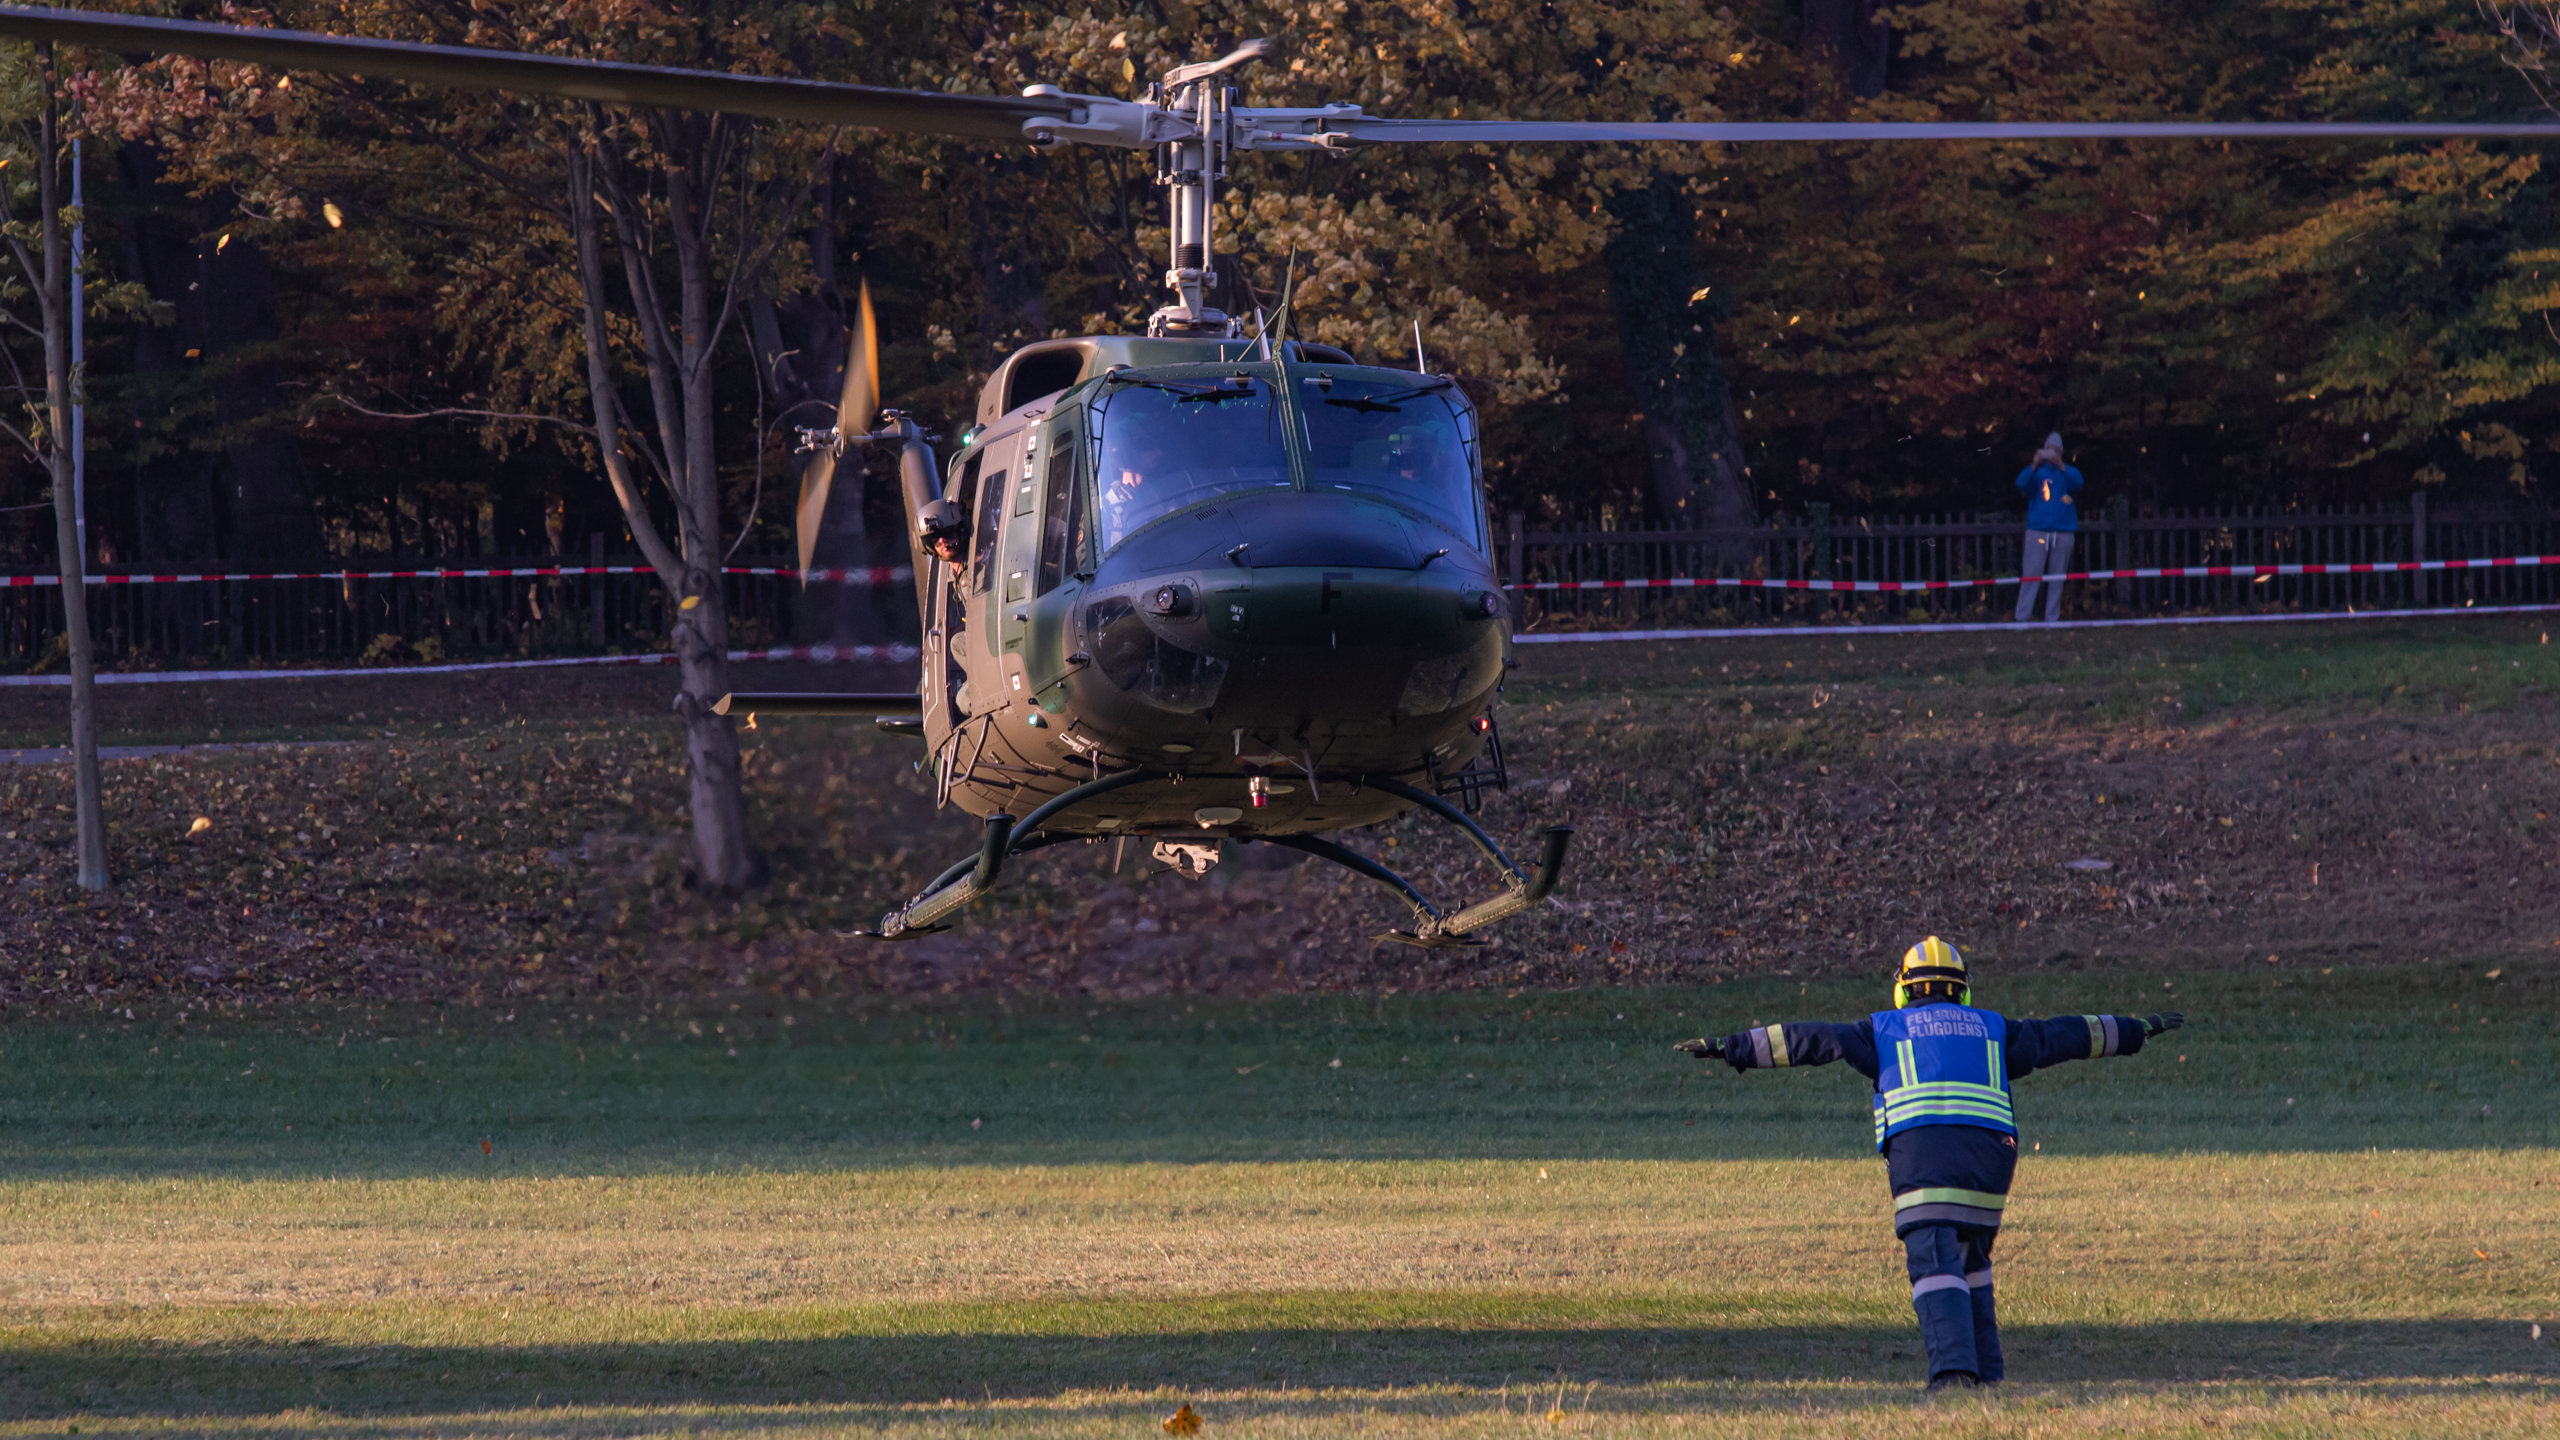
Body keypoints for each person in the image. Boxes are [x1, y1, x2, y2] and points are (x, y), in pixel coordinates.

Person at [1675, 938, 2182, 1395]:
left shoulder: (1883, 1029)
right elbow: (2062, 1036)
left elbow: (1810, 1039)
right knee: (1971, 1264)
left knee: (1935, 1263)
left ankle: (1953, 1376)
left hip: (1925, 1159)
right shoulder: (1993, 1028)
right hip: (1990, 1166)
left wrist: (1732, 1047)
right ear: (1962, 989)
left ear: (1904, 987)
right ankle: (1988, 1377)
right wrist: (2132, 1030)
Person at [2013, 434, 2083, 623]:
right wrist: (2034, 464)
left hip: (2062, 532)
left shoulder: (2067, 473)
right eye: (2049, 450)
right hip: (2038, 530)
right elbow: (2020, 484)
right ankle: (2021, 618)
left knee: (2056, 578)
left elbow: (2079, 483)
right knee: (2031, 576)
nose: (2052, 454)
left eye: (2056, 450)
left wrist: (2062, 466)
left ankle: (2052, 619)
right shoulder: (2037, 473)